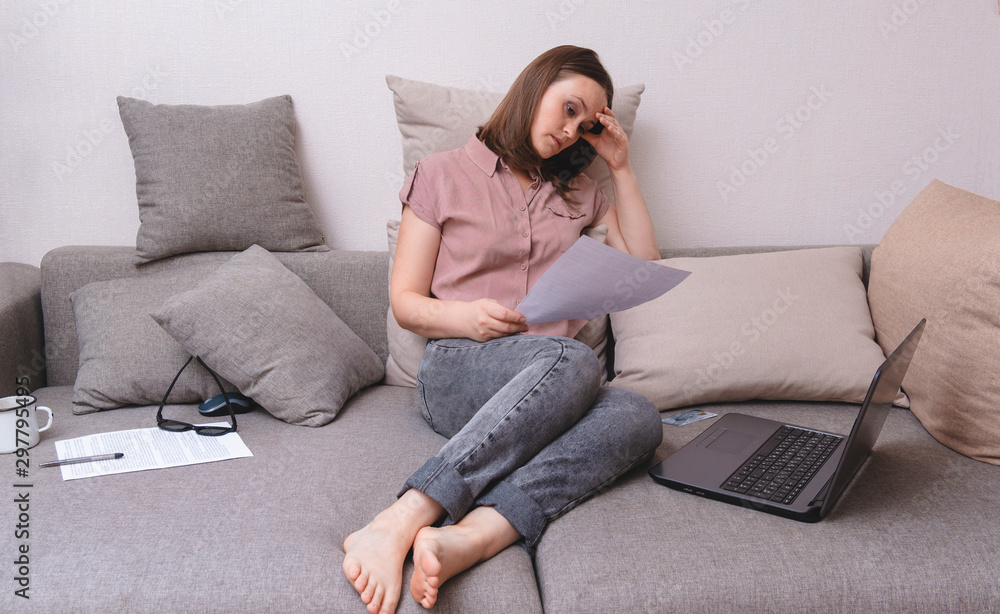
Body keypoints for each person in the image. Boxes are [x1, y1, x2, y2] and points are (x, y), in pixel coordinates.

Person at [342, 45, 663, 614]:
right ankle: (405, 515)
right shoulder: (440, 174)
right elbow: (406, 302)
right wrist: (464, 317)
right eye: (567, 109)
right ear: (534, 88)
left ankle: (471, 536)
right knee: (573, 360)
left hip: (555, 378)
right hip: (461, 368)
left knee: (638, 415)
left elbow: (643, 265)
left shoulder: (582, 190)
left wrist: (619, 166)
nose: (570, 132)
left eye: (584, 124)